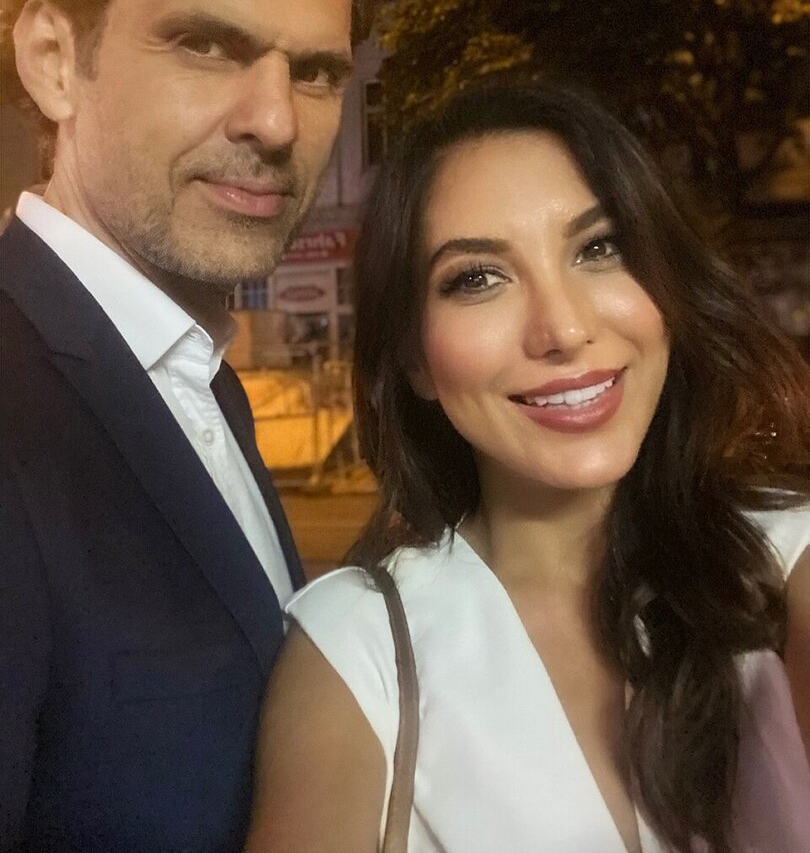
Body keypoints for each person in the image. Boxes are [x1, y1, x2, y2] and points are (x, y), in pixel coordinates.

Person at [246, 84, 810, 853]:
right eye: (478, 277)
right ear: (414, 357)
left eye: (599, 248)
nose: (564, 329)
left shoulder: (782, 563)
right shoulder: (358, 650)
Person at [0, 0, 372, 852]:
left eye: (316, 71)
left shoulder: (193, 379)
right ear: (55, 60)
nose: (275, 120)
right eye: (206, 44)